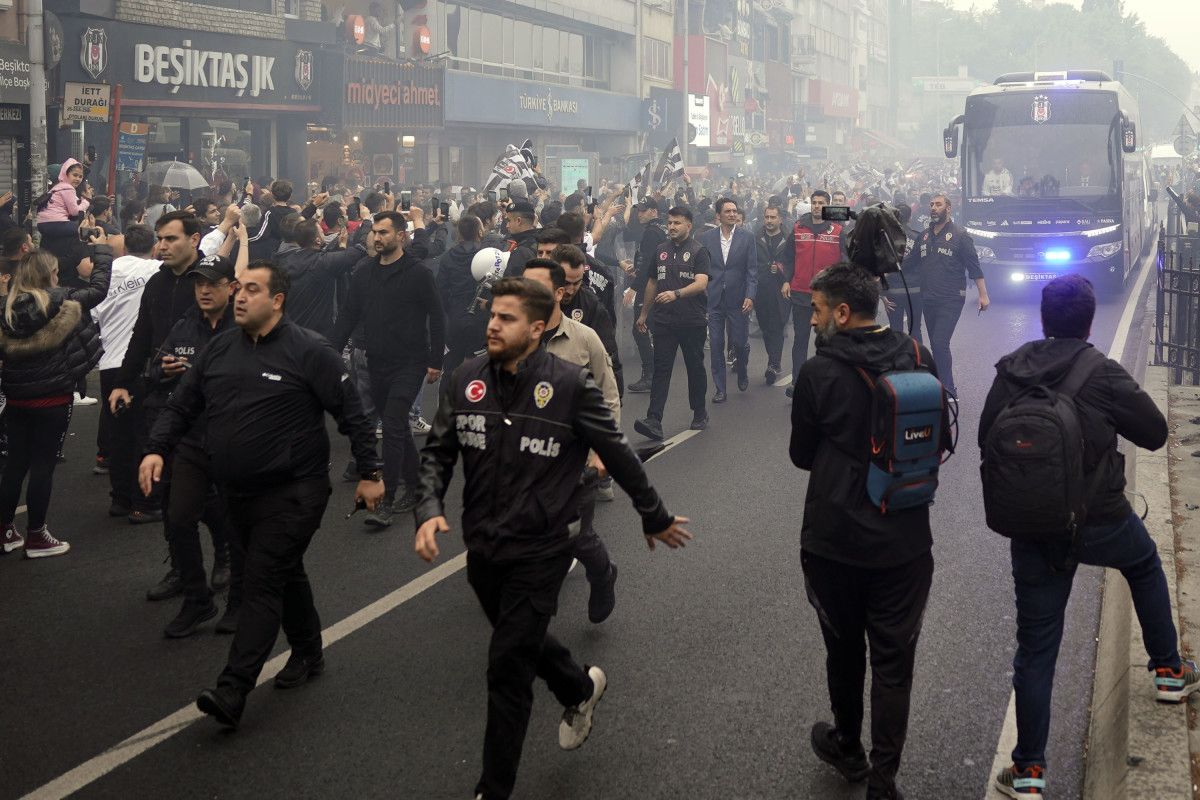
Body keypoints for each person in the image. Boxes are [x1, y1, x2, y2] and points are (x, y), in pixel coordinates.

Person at [413, 276, 692, 800]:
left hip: (543, 546)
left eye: (507, 318)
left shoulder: (569, 386)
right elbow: (437, 453)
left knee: (507, 665)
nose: (493, 325)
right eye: (492, 315)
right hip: (484, 545)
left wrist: (653, 515)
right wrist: (428, 509)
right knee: (521, 638)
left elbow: (617, 452)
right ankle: (579, 687)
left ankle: (493, 788)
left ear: (537, 329)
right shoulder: (467, 378)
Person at [140, 260, 384, 728]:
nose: (240, 296)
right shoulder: (220, 349)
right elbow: (182, 404)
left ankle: (233, 688)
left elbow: (352, 414)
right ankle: (309, 651)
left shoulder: (311, 351)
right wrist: (156, 449)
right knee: (283, 572)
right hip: (237, 491)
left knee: (261, 579)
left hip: (294, 491)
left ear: (277, 300)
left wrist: (371, 472)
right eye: (240, 289)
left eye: (252, 289)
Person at [981, 274, 1194, 799]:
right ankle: (1169, 671)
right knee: (1143, 564)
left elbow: (987, 436)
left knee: (1036, 647)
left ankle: (1028, 771)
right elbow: (1155, 432)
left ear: (1043, 319)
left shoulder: (1012, 369)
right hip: (1101, 519)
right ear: (1090, 322)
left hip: (1036, 526)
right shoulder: (1102, 370)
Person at [790, 262, 942, 800]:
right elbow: (939, 437)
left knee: (844, 650)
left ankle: (849, 748)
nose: (811, 320)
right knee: (895, 662)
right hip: (905, 539)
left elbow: (802, 455)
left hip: (835, 541)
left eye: (816, 310)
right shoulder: (918, 356)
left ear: (842, 312)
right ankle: (884, 780)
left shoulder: (818, 373)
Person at [109, 211, 208, 598]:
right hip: (162, 393)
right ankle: (182, 569)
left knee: (213, 493)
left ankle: (227, 558)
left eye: (170, 239)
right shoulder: (156, 282)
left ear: (194, 240)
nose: (161, 246)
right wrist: (123, 383)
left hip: (207, 398)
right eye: (160, 239)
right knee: (168, 492)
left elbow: (229, 335)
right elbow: (141, 335)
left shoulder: (211, 278)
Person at [150, 253, 245, 638]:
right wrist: (162, 370)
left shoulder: (246, 327)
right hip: (191, 437)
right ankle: (197, 599)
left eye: (212, 284)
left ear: (231, 287)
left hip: (235, 440)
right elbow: (154, 370)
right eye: (198, 284)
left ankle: (239, 601)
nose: (204, 290)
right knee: (179, 517)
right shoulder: (185, 325)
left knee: (239, 524)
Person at [0, 235, 112, 558]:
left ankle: (5, 531)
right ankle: (37, 536)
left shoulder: (6, 306)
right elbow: (99, 288)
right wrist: (100, 249)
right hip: (52, 397)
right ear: (49, 274)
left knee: (15, 464)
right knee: (43, 465)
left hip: (16, 397)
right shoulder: (61, 299)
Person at [524, 258, 621, 623]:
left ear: (559, 293)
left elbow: (608, 397)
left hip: (575, 458)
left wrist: (602, 452)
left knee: (576, 535)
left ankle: (602, 573)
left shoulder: (584, 339)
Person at [330, 210, 443, 526]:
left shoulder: (418, 273)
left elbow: (437, 316)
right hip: (376, 362)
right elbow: (348, 315)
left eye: (384, 232)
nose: (377, 237)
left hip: (410, 363)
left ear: (401, 236)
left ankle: (386, 500)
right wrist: (328, 352)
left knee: (392, 423)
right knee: (398, 428)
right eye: (375, 232)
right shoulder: (363, 272)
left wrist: (436, 361)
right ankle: (417, 485)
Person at [91, 224, 162, 515]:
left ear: (124, 248)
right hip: (137, 364)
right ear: (154, 248)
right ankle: (143, 503)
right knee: (143, 433)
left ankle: (120, 499)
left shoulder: (106, 273)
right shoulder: (156, 270)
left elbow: (93, 314)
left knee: (119, 435)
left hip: (109, 364)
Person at [900, 194, 989, 401]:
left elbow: (974, 267)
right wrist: (885, 270)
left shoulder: (960, 235)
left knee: (940, 342)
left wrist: (983, 295)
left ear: (948, 208)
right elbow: (909, 263)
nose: (933, 207)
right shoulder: (923, 236)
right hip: (928, 297)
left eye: (938, 204)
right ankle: (939, 383)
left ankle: (948, 390)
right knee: (936, 344)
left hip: (951, 298)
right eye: (931, 204)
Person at [633, 206, 711, 440]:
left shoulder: (699, 251)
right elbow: (652, 283)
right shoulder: (660, 250)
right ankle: (654, 419)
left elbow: (701, 283)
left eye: (677, 223)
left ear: (689, 225)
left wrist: (676, 294)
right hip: (664, 321)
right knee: (661, 369)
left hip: (692, 321)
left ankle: (699, 412)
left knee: (694, 368)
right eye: (670, 223)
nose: (672, 227)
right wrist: (644, 314)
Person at [783, 190, 844, 398]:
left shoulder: (838, 230)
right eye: (814, 202)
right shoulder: (798, 228)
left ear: (828, 206)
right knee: (800, 340)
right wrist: (786, 280)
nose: (817, 206)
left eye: (821, 203)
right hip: (800, 293)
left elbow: (846, 261)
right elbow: (787, 257)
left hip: (827, 296)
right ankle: (797, 382)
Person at [699, 197, 757, 400]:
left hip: (739, 299)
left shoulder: (747, 237)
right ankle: (720, 389)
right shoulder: (706, 238)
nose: (732, 214)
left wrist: (750, 295)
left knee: (739, 343)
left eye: (734, 211)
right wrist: (703, 290)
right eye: (728, 211)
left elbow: (752, 271)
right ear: (718, 216)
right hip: (714, 299)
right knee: (716, 345)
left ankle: (742, 369)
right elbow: (701, 267)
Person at [274, 217, 362, 339]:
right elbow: (356, 253)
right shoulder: (322, 263)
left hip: (292, 333)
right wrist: (367, 222)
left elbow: (334, 259)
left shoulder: (285, 262)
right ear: (318, 241)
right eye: (321, 231)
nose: (323, 233)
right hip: (317, 337)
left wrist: (341, 246)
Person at [438, 214, 487, 376]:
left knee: (452, 366)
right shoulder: (487, 256)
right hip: (481, 317)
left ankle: (448, 390)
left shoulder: (447, 257)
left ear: (459, 232)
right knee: (478, 370)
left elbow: (441, 290)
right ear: (479, 232)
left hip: (455, 317)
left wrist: (451, 310)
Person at [754, 204, 795, 384]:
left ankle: (773, 363)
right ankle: (773, 360)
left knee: (777, 326)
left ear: (780, 219)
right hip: (761, 290)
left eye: (773, 217)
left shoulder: (789, 239)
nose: (769, 221)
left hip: (781, 290)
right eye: (767, 217)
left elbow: (793, 262)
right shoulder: (756, 238)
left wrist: (785, 276)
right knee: (765, 327)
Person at [247, 180, 294, 261]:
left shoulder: (270, 213)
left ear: (272, 195)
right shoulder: (294, 213)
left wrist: (244, 239)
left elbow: (260, 234)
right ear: (290, 196)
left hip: (275, 253)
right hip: (292, 252)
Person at [500, 200, 539, 277]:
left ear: (518, 221)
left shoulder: (521, 252)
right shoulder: (539, 241)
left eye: (509, 221)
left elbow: (511, 282)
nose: (507, 225)